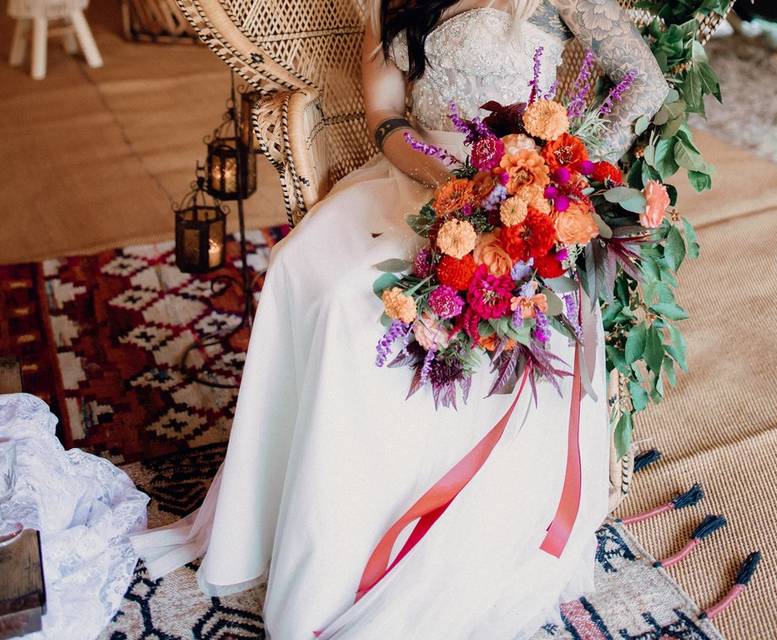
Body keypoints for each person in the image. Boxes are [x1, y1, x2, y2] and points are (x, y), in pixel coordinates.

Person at [132, 0, 668, 637]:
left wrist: (568, 170)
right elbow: (385, 114)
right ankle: (317, 518)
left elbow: (644, 81)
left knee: (380, 309)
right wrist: (439, 173)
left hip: (521, 199)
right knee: (316, 279)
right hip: (416, 179)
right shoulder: (391, 3)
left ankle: (408, 527)